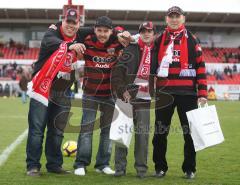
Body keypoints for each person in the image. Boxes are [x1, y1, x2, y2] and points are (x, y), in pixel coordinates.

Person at [26, 8, 86, 176]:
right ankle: (33, 166)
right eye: (68, 22)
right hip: (43, 89)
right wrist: (69, 45)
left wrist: (120, 33)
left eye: (74, 23)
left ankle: (54, 165)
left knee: (57, 131)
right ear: (63, 21)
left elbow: (96, 31)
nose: (71, 26)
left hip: (64, 91)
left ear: (79, 24)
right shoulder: (52, 33)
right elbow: (49, 42)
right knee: (37, 129)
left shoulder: (79, 35)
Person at [153, 6, 207, 179]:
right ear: (166, 19)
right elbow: (150, 63)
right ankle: (160, 168)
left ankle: (189, 168)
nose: (174, 19)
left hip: (188, 93)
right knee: (160, 132)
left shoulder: (192, 39)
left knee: (189, 133)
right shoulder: (159, 38)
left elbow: (201, 68)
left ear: (183, 19)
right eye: (171, 17)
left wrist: (203, 94)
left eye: (177, 16)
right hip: (164, 93)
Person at [73, 16, 131, 176]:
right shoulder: (86, 39)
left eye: (106, 31)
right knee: (86, 129)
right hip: (90, 93)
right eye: (99, 30)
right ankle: (80, 164)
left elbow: (129, 37)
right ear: (94, 29)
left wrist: (120, 31)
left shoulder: (117, 41)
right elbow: (74, 31)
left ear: (111, 31)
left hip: (110, 95)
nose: (102, 34)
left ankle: (102, 164)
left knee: (107, 131)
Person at [111, 22, 157, 178]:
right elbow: (117, 73)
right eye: (143, 31)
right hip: (126, 98)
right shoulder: (129, 49)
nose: (146, 33)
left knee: (142, 137)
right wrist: (122, 90)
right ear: (140, 33)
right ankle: (119, 168)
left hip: (144, 99)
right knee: (121, 135)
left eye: (149, 31)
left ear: (153, 34)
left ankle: (141, 169)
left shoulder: (157, 52)